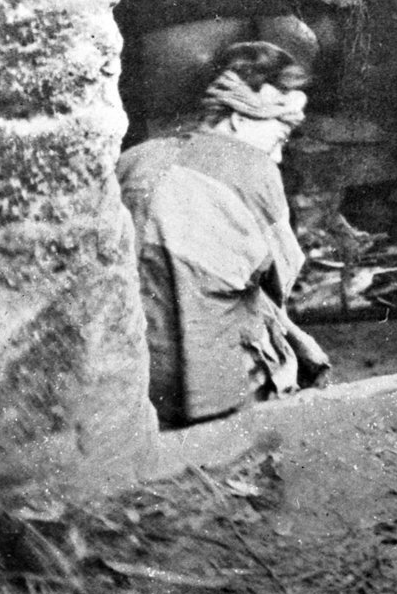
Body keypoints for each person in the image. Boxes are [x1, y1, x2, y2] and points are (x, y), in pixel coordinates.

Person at [118, 41, 331, 426]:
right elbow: (281, 277)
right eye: (280, 137)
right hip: (213, 383)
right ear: (240, 120)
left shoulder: (134, 156)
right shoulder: (255, 170)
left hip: (129, 374)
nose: (280, 155)